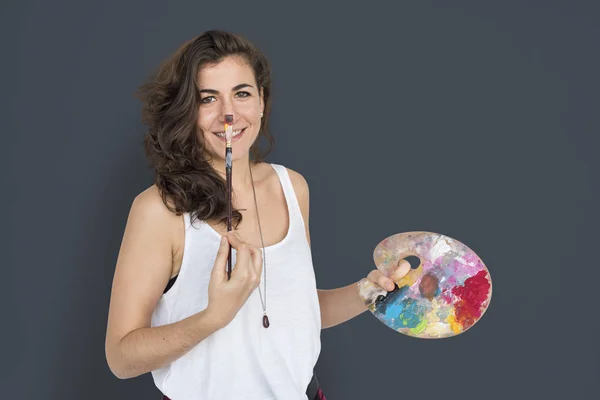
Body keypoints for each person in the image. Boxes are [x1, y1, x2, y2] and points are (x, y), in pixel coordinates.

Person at [104, 30, 410, 400]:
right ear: (186, 110)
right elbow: (121, 357)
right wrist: (213, 317)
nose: (228, 114)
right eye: (208, 98)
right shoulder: (160, 210)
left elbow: (296, 309)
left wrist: (371, 290)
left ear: (262, 102)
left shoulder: (292, 188)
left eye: (242, 93)